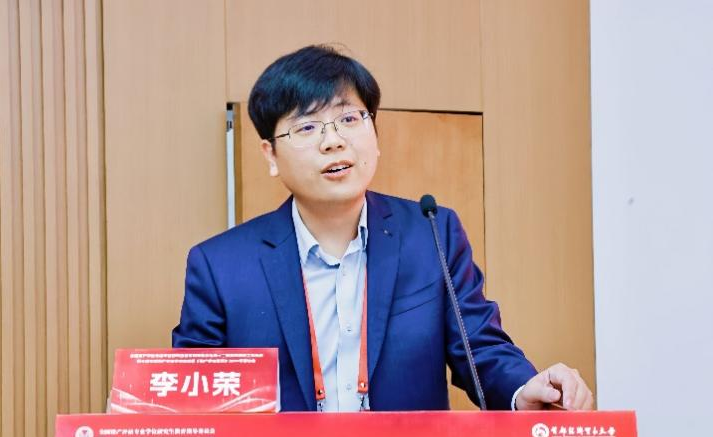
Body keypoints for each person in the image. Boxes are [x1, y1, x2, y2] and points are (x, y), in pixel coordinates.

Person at [172, 44, 593, 412]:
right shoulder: (220, 266)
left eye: (349, 119)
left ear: (374, 133)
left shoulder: (432, 234)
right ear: (270, 154)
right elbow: (193, 400)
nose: (333, 141)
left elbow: (478, 346)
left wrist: (523, 390)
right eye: (307, 127)